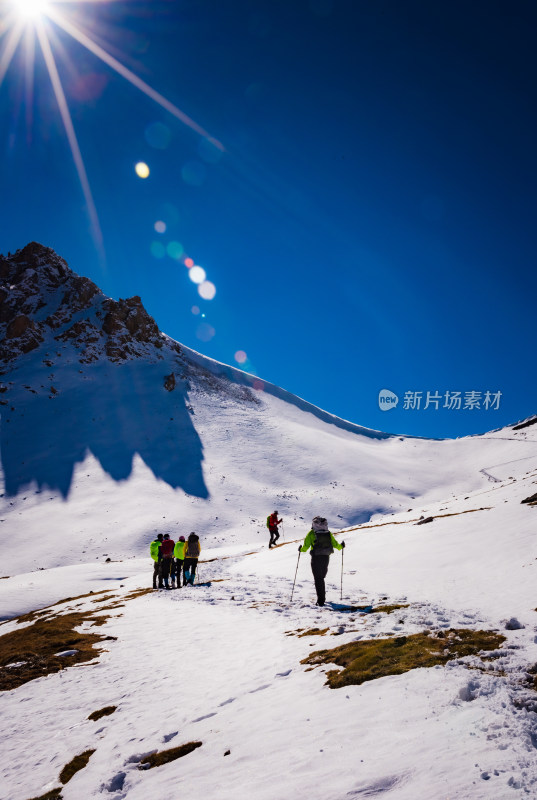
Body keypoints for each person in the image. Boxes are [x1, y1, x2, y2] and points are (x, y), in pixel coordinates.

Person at [299, 516, 345, 606]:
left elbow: (305, 547)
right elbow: (335, 544)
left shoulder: (311, 533)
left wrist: (300, 549)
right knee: (321, 577)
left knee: (318, 579)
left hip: (316, 558)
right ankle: (322, 596)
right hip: (326, 557)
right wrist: (341, 546)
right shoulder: (328, 533)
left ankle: (321, 600)